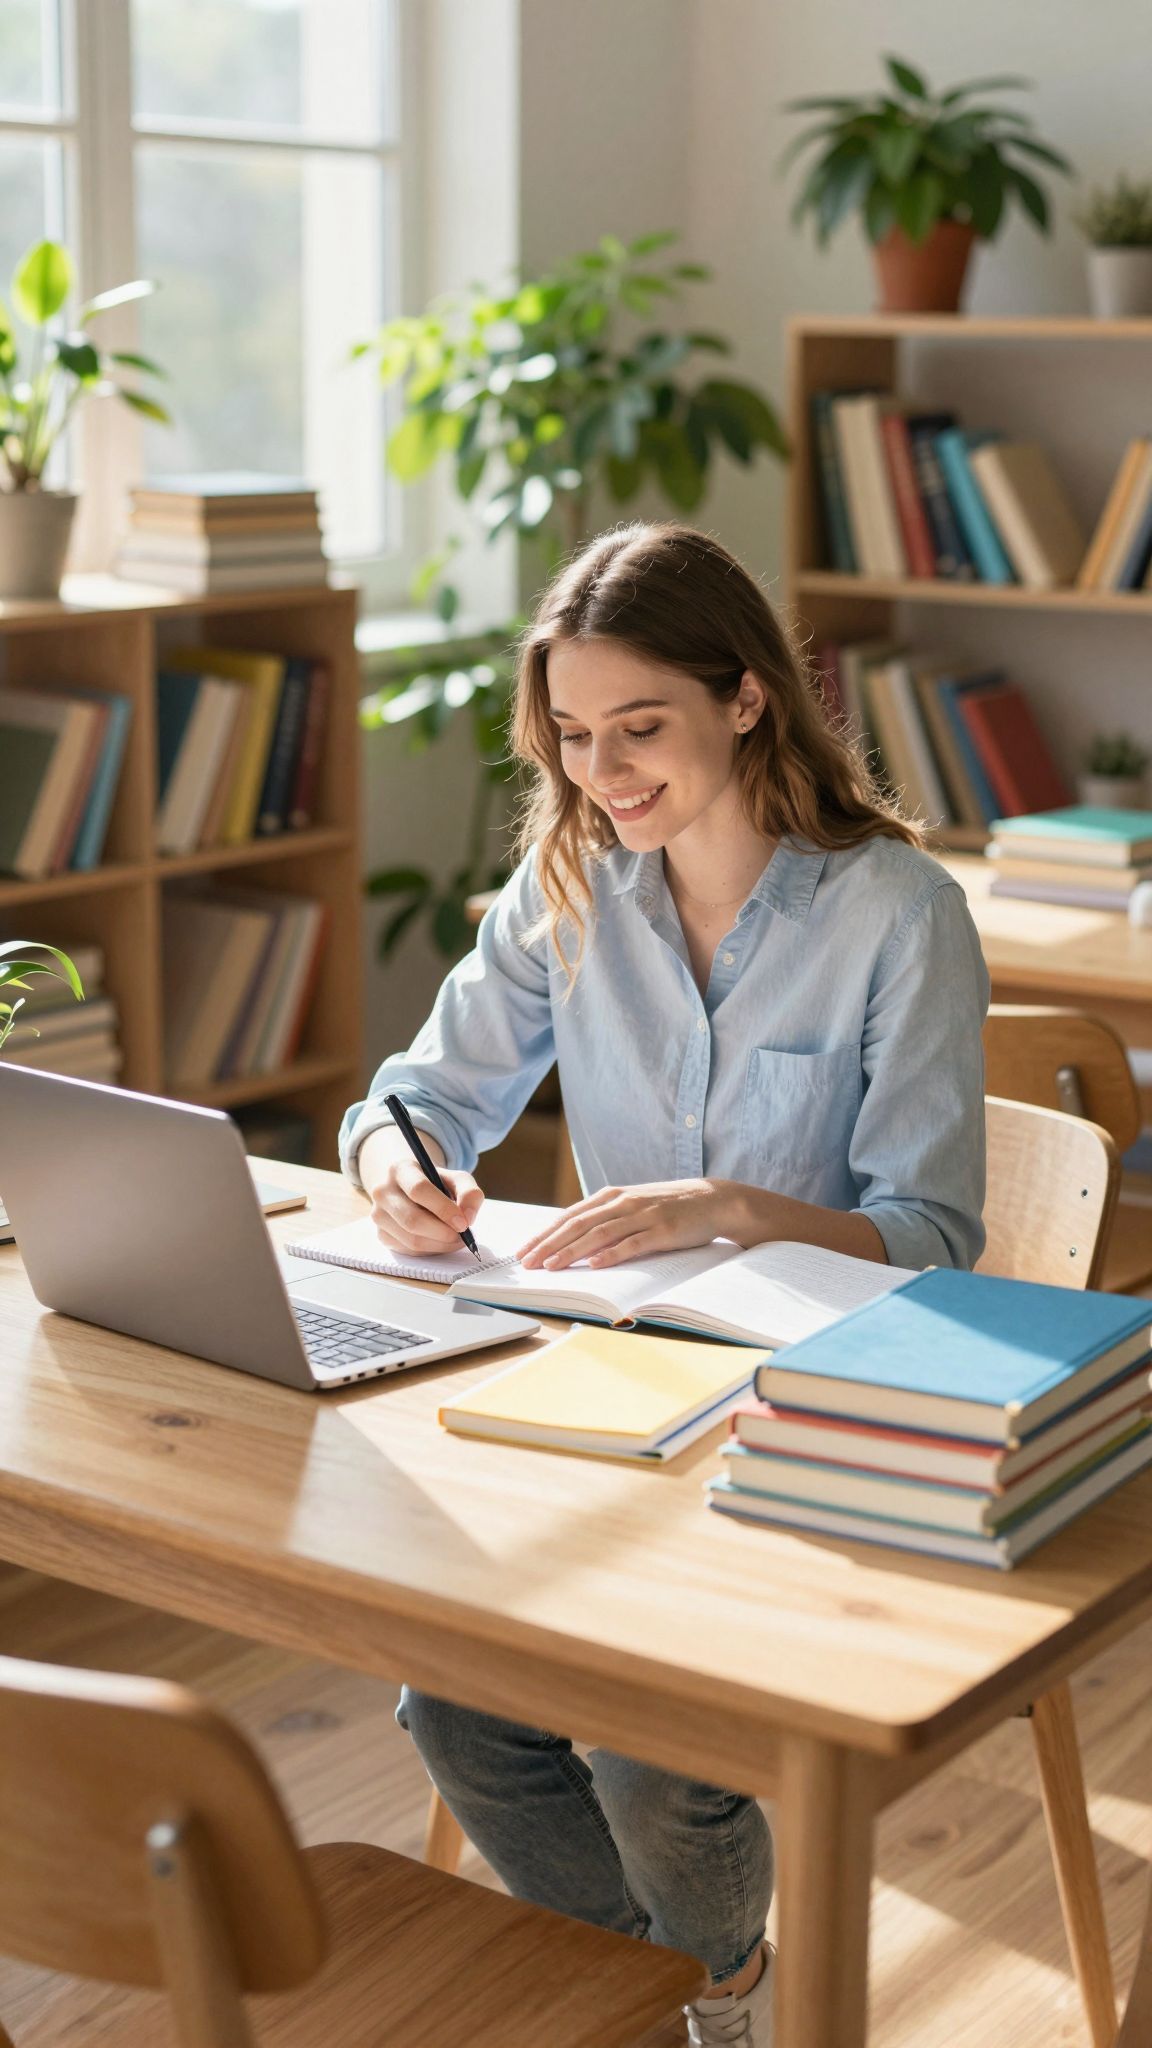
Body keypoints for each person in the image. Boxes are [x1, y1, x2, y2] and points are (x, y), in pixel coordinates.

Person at [340, 521, 989, 2046]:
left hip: (812, 1424)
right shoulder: (569, 883)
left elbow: (934, 1241)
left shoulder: (898, 913)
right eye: (573, 736)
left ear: (746, 697)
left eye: (641, 728)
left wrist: (733, 1208)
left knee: (652, 1758)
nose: (603, 773)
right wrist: (392, 1164)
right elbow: (416, 1093)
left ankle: (706, 1997)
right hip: (604, 1391)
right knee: (452, 1703)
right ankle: (688, 1991)